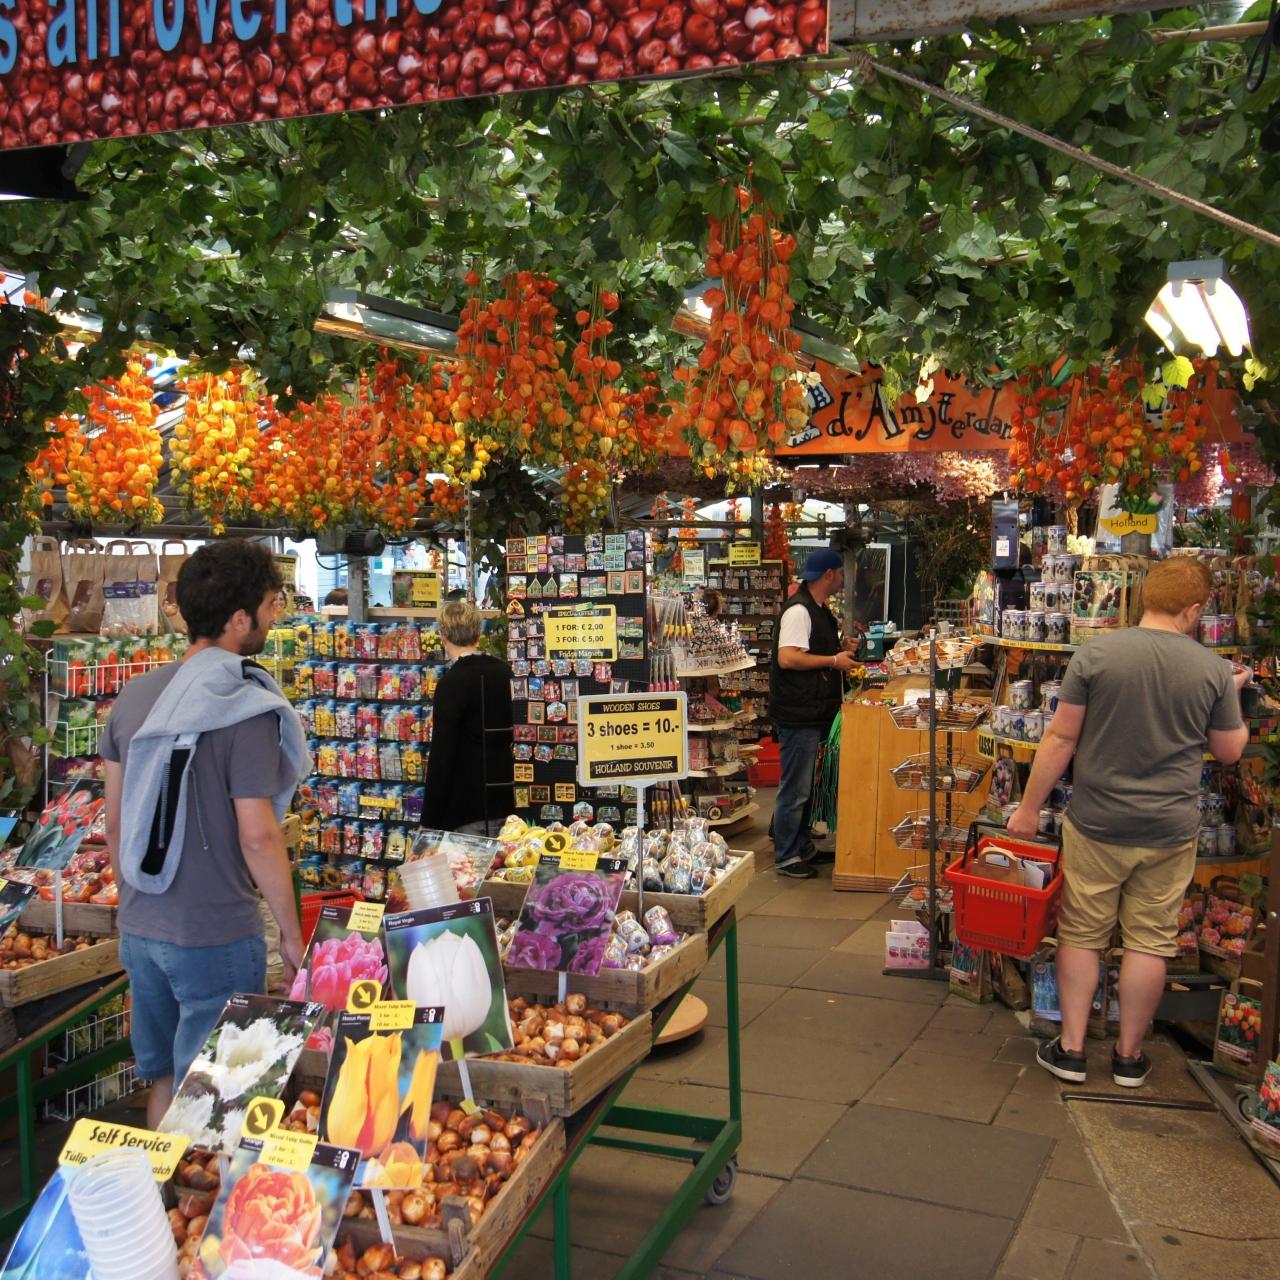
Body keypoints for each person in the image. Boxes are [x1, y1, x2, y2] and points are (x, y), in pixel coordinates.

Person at [1008, 558, 1248, 1087]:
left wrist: (1027, 808)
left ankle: (1072, 1050)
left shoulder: (1095, 655)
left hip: (1097, 821)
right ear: (1193, 610)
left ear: (1144, 598)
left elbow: (1061, 738)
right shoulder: (1211, 670)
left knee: (1081, 934)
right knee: (1149, 942)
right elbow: (1230, 751)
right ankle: (1129, 1058)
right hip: (1169, 829)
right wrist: (1235, 693)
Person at [102, 539, 311, 1126]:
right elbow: (258, 836)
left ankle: (162, 1185)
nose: (274, 617)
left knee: (167, 1080)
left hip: (141, 926)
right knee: (221, 1098)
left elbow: (115, 823)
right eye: (270, 605)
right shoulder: (244, 707)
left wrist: (137, 907)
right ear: (239, 619)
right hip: (214, 931)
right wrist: (290, 933)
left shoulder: (134, 697)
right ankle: (204, 1186)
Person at [767, 547, 859, 878]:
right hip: (798, 713)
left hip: (812, 710)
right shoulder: (799, 611)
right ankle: (787, 854)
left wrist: (839, 650)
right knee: (796, 788)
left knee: (805, 787)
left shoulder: (816, 609)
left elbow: (810, 651)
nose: (842, 579)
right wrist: (834, 660)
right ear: (829, 574)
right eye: (840, 573)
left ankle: (801, 845)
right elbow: (788, 658)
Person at [423, 599, 514, 835]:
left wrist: (428, 819)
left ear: (443, 635)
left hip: (466, 808)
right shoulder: (506, 673)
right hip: (510, 802)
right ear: (479, 632)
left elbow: (442, 755)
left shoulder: (451, 683)